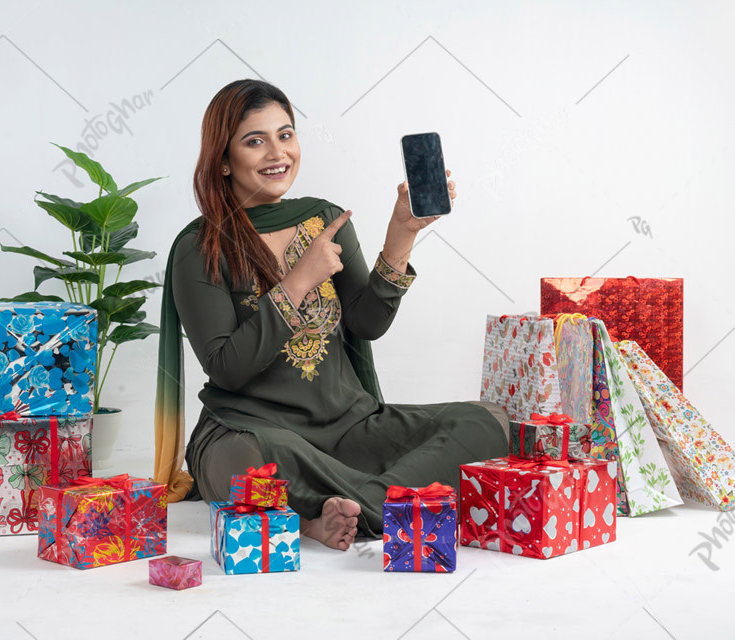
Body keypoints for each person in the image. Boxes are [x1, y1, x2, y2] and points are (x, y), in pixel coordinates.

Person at [154, 79, 509, 551]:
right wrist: (298, 282)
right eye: (254, 141)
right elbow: (226, 368)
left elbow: (367, 324)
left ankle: (331, 509)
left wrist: (401, 233)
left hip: (348, 428)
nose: (277, 153)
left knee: (487, 423)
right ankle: (375, 504)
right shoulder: (200, 246)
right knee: (241, 462)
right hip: (256, 431)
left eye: (285, 134)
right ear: (222, 159)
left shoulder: (323, 218)